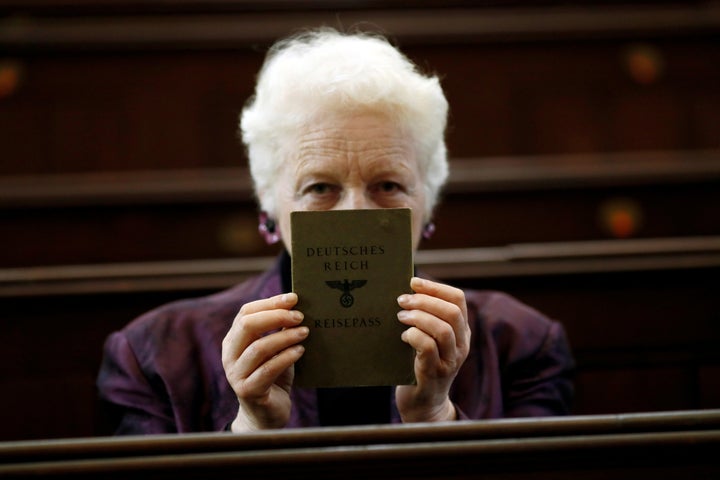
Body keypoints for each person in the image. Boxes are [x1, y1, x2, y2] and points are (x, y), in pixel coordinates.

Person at [97, 28, 574, 434]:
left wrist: (434, 416)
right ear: (269, 204)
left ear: (428, 204)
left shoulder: (521, 342)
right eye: (320, 186)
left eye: (388, 184)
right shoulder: (152, 355)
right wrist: (252, 430)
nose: (355, 211)